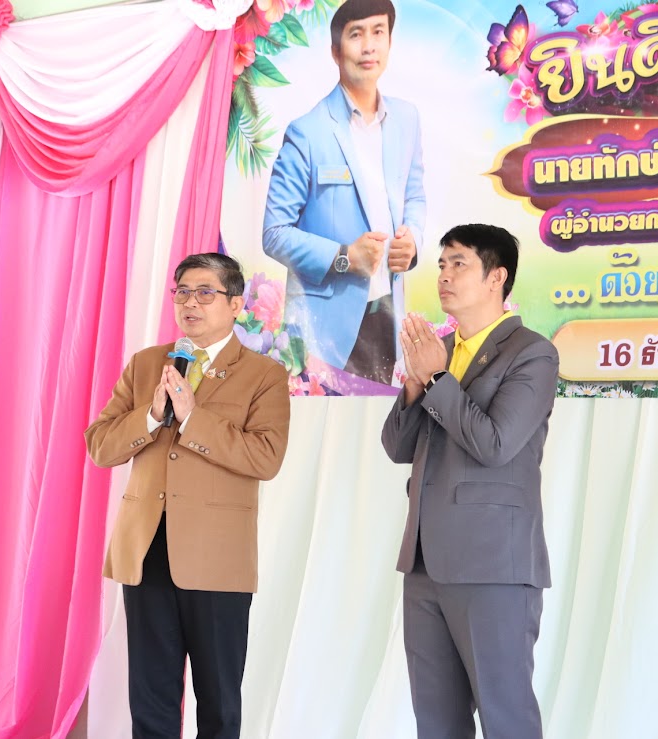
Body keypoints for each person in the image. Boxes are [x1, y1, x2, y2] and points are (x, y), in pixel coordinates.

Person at [85, 253, 290, 738]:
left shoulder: (264, 374)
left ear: (236, 304)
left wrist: (194, 418)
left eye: (204, 293)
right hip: (146, 550)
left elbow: (266, 458)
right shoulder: (146, 364)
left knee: (219, 702)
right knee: (150, 698)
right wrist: (151, 416)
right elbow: (101, 446)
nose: (189, 303)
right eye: (181, 292)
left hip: (217, 559)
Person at [381, 224, 558, 739]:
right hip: (424, 563)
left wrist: (438, 380)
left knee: (506, 718)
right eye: (441, 264)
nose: (444, 275)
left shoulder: (531, 353)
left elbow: (496, 444)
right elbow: (398, 448)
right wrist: (415, 384)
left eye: (459, 264)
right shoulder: (437, 350)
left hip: (493, 564)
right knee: (436, 722)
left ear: (496, 278)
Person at [263, 0, 425, 387]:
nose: (369, 46)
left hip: (387, 312)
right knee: (326, 422)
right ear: (336, 51)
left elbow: (415, 195)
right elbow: (274, 233)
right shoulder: (308, 131)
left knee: (381, 421)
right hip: (325, 329)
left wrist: (414, 241)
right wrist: (344, 257)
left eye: (378, 32)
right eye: (356, 34)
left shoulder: (406, 119)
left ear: (389, 42)